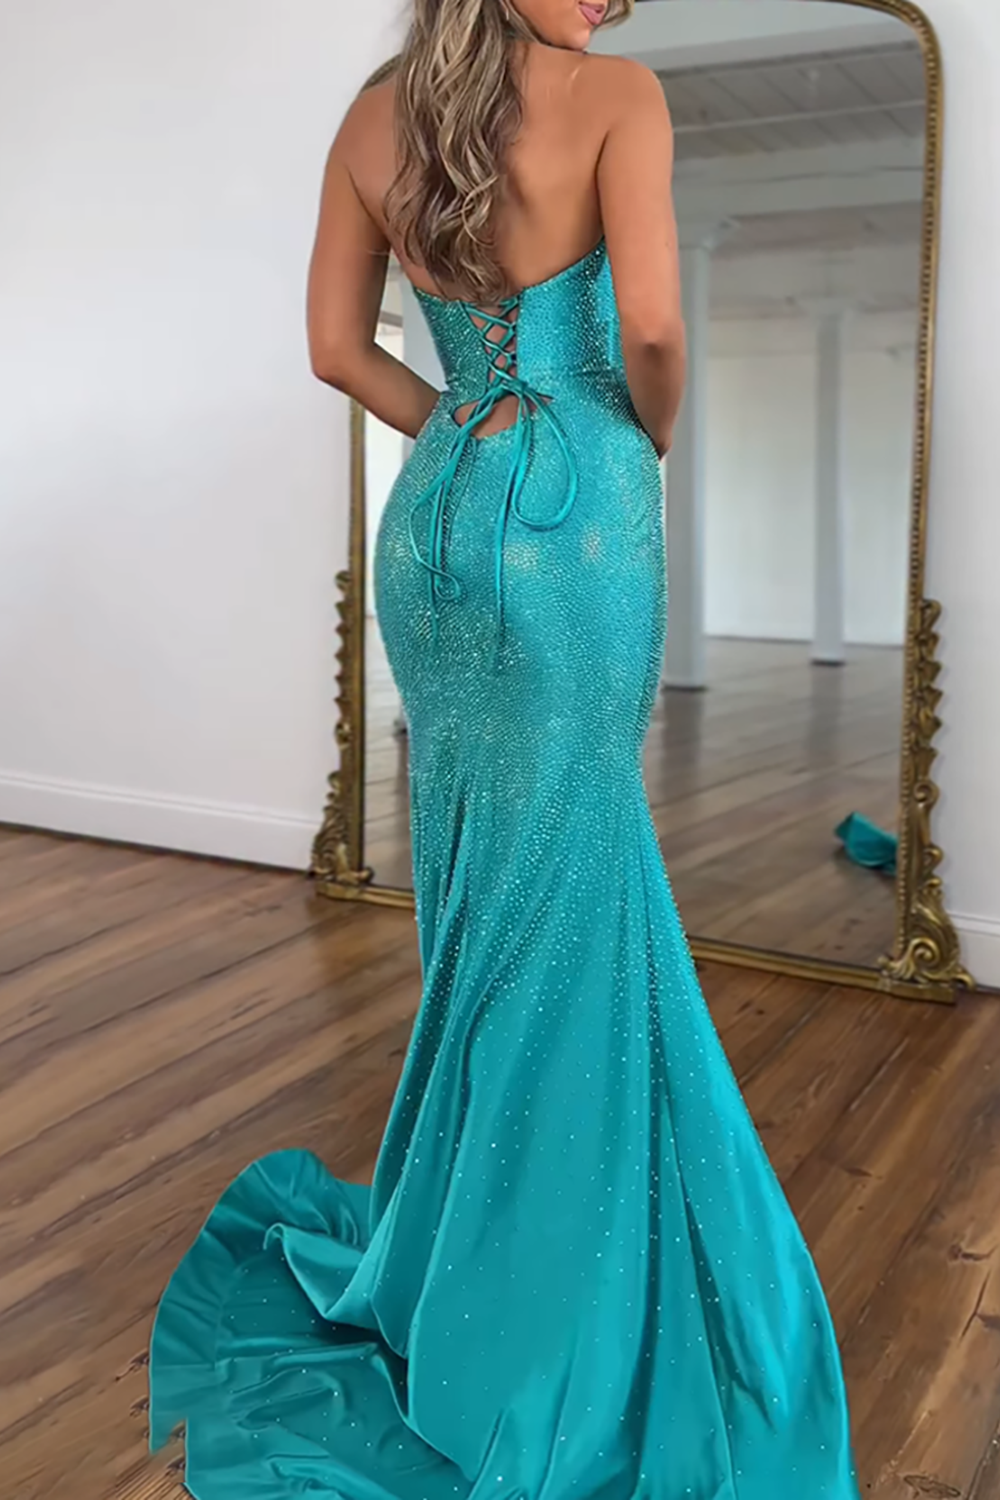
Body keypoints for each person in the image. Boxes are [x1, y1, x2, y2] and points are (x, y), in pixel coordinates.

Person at [148, 2, 863, 1496]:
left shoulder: (372, 116)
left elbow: (334, 349)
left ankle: (467, 1251)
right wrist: (637, 438)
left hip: (439, 514)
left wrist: (460, 422)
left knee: (477, 890)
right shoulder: (618, 98)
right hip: (575, 515)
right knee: (575, 879)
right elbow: (651, 329)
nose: (613, 1)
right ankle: (547, 1310)